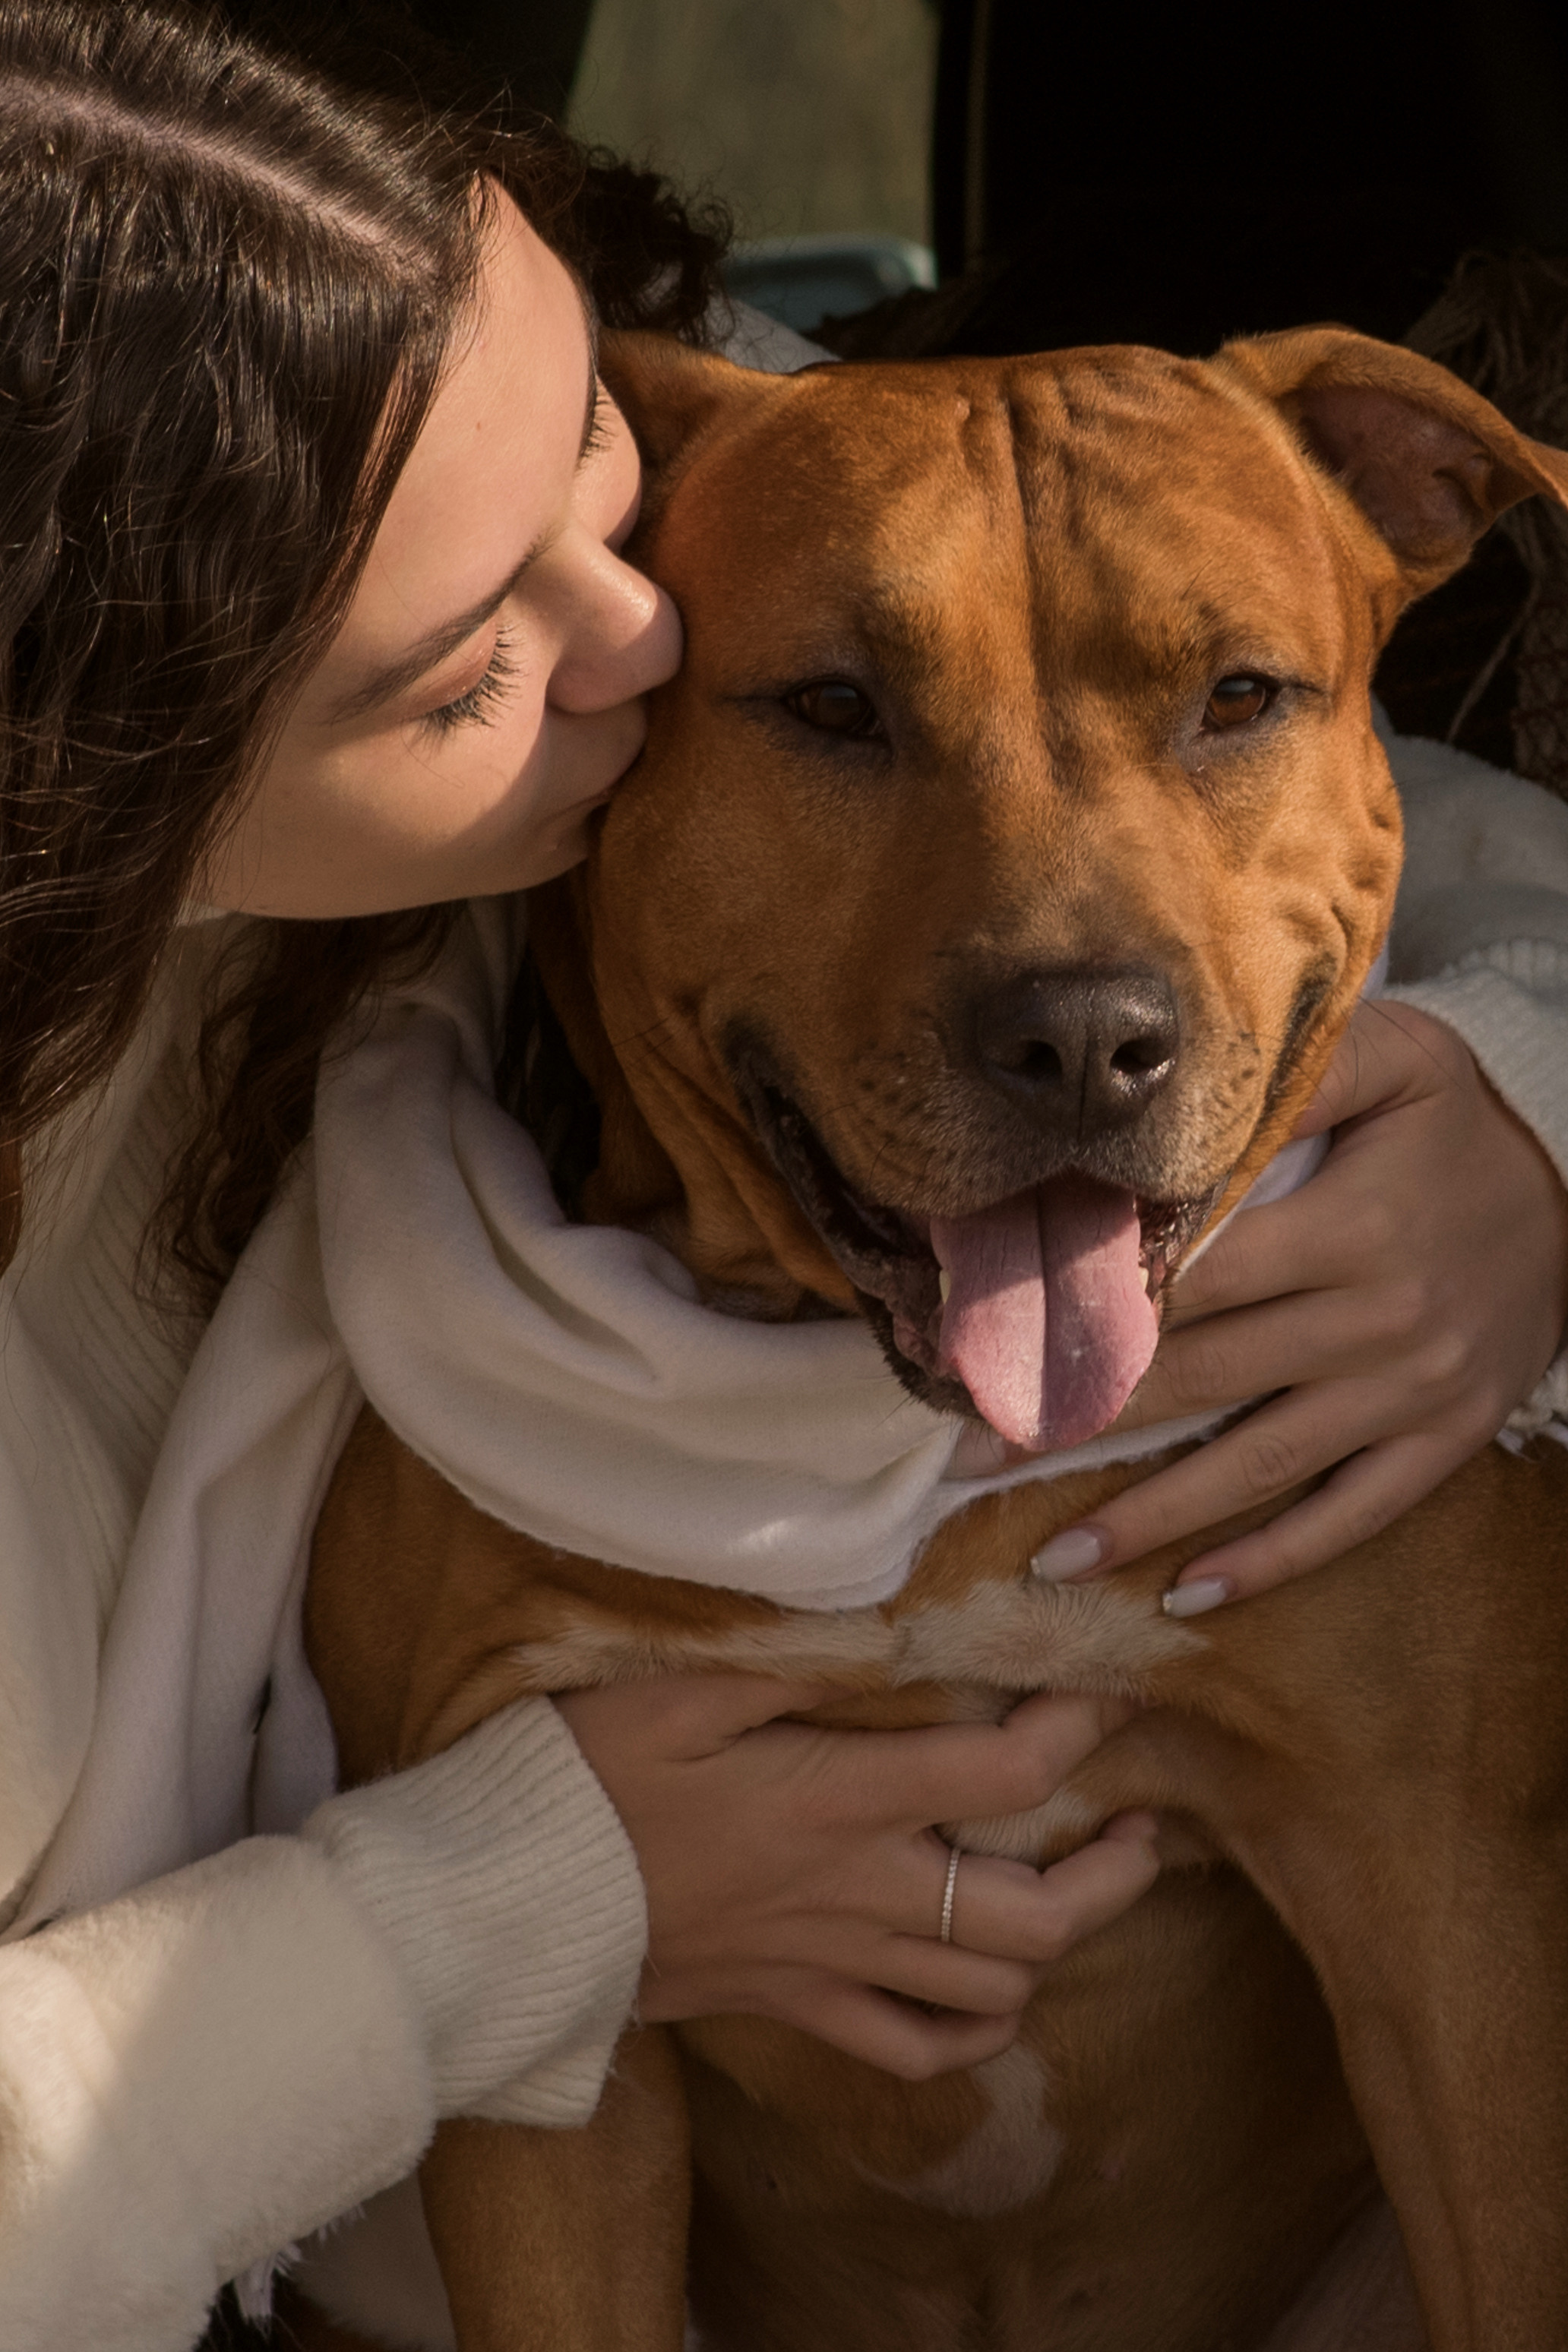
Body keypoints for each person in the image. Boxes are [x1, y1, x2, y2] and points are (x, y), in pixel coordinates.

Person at [0, 4, 1563, 2347]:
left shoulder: (709, 469)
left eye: (600, 486)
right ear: (136, 736)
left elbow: (1120, 633)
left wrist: (1534, 1110)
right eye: (473, 654)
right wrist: (521, 1905)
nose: (643, 624)